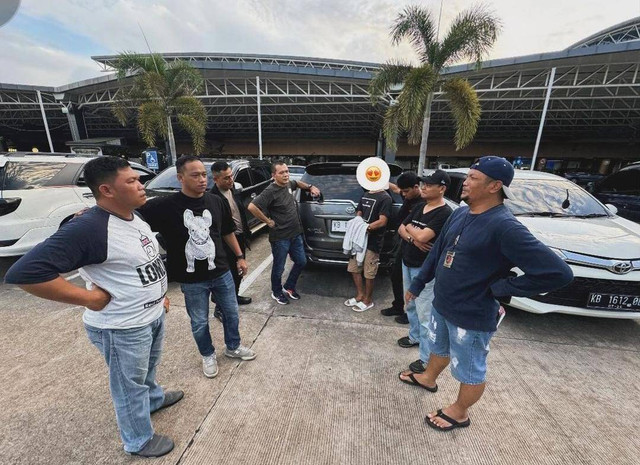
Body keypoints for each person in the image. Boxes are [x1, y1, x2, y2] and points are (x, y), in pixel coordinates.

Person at [5, 156, 181, 458]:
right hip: (121, 327)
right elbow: (25, 273)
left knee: (147, 372)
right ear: (107, 190)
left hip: (149, 315)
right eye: (132, 181)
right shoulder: (89, 227)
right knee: (128, 386)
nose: (141, 186)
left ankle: (153, 399)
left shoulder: (132, 215)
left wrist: (159, 292)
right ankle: (138, 440)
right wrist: (88, 298)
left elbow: (138, 265)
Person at [402, 156, 573, 431]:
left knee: (470, 369)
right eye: (467, 176)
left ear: (495, 186)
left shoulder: (505, 226)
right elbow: (439, 251)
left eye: (472, 178)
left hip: (472, 315)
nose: (465, 183)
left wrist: (501, 289)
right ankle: (428, 378)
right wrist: (418, 283)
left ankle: (459, 412)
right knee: (439, 347)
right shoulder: (459, 213)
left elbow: (558, 273)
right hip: (443, 303)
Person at [137, 155, 256, 380]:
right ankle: (207, 354)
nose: (202, 180)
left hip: (221, 271)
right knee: (199, 321)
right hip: (192, 280)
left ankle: (233, 346)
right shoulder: (164, 206)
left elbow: (227, 231)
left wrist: (240, 256)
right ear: (180, 178)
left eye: (204, 175)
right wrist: (95, 213)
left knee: (231, 314)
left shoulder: (216, 201)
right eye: (195, 175)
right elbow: (130, 216)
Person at [396, 170, 453, 375]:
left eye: (429, 184)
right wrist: (413, 237)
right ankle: (414, 337)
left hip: (425, 270)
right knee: (409, 304)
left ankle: (426, 359)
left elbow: (423, 235)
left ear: (442, 188)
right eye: (423, 184)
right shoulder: (420, 206)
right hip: (407, 261)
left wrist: (413, 232)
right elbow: (403, 228)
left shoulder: (445, 213)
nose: (424, 187)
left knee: (425, 314)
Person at [247, 161, 320, 305]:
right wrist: (268, 221)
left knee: (301, 261)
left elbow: (297, 183)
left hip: (295, 234)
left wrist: (310, 187)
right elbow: (252, 206)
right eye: (282, 172)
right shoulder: (270, 191)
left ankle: (289, 286)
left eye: (287, 171)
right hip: (280, 237)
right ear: (274, 175)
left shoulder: (288, 184)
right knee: (279, 268)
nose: (286, 174)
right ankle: (276, 291)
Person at [210, 161, 252, 320]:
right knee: (227, 277)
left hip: (240, 237)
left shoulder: (232, 190)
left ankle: (234, 296)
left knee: (239, 272)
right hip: (225, 243)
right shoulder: (213, 197)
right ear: (216, 179)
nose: (230, 180)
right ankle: (220, 308)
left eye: (231, 176)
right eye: (226, 178)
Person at [381, 172, 424, 323]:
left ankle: (410, 313)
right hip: (402, 242)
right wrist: (380, 182)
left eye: (406, 192)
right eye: (402, 191)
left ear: (416, 187)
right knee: (395, 275)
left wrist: (410, 237)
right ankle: (398, 305)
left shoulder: (422, 203)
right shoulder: (408, 193)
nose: (403, 195)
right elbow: (394, 189)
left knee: (412, 281)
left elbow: (411, 229)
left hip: (413, 246)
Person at [344, 181, 392, 312]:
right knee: (354, 268)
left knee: (369, 272)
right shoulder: (365, 194)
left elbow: (383, 221)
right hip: (358, 240)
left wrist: (366, 228)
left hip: (373, 241)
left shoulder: (385, 198)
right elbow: (359, 211)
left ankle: (368, 300)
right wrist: (357, 224)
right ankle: (360, 295)